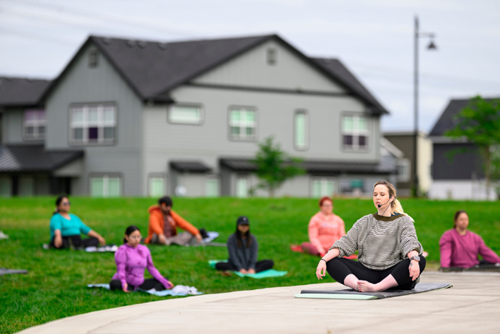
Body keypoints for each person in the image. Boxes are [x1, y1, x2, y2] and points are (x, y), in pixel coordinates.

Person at [315, 180, 426, 292]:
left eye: (382, 195)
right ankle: (358, 286)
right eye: (375, 194)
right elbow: (345, 243)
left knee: (420, 259)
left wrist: (414, 260)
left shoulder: (403, 221)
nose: (378, 197)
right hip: (368, 273)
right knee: (331, 261)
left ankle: (376, 288)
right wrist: (323, 260)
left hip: (393, 276)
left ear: (391, 198)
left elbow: (410, 242)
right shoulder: (364, 222)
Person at [110, 225, 174, 292]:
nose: (137, 239)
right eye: (133, 237)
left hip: (140, 282)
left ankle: (147, 289)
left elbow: (151, 268)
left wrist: (164, 281)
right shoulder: (122, 250)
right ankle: (132, 288)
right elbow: (121, 270)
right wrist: (123, 283)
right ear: (127, 237)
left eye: (139, 236)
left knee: (165, 280)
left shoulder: (144, 249)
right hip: (127, 281)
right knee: (114, 283)